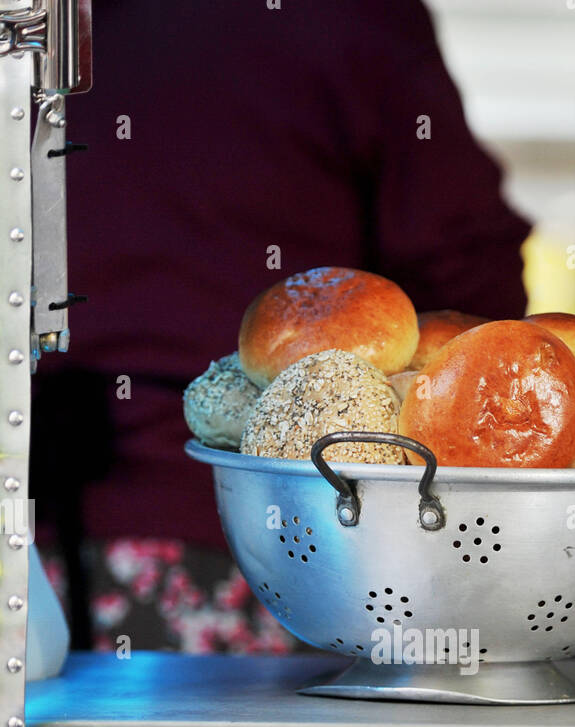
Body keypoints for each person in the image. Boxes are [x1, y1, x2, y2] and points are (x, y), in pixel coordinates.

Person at [32, 0, 530, 653]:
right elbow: (474, 284)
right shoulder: (361, 22)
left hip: (30, 557)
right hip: (275, 545)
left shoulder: (50, 22)